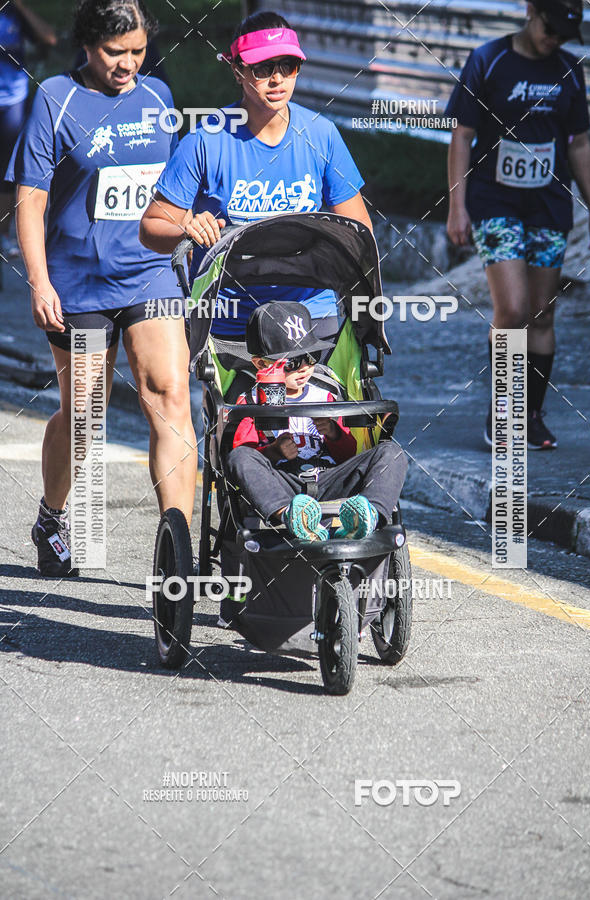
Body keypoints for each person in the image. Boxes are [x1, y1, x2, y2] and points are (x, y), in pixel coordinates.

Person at [7, 0, 196, 577]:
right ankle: (52, 515)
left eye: (137, 51)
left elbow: (170, 184)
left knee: (169, 395)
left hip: (150, 272)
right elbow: (31, 200)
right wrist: (39, 282)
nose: (128, 64)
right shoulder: (56, 98)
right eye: (116, 52)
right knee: (85, 413)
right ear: (87, 45)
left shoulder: (157, 96)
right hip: (80, 283)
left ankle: (176, 550)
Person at [139, 9, 373, 343]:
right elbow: (150, 229)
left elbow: (360, 233)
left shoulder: (322, 135)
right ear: (237, 70)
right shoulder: (205, 140)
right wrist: (186, 230)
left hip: (312, 315)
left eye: (287, 66)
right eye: (262, 69)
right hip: (229, 321)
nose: (277, 79)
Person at [445, 0, 590, 450]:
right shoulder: (488, 60)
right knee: (512, 310)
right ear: (531, 11)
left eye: (564, 35)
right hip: (495, 202)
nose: (554, 40)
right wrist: (457, 206)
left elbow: (579, 144)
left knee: (543, 312)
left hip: (549, 206)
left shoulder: (569, 69)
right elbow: (461, 137)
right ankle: (503, 414)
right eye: (549, 28)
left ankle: (531, 416)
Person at [227, 302, 408, 542]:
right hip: (282, 481)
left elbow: (349, 454)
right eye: (291, 363)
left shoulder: (327, 393)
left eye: (310, 357)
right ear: (262, 364)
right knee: (239, 457)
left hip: (329, 474)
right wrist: (273, 451)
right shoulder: (250, 400)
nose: (303, 368)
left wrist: (334, 434)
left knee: (391, 452)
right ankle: (291, 515)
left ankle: (367, 514)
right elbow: (244, 456)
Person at [0, 1, 56, 260]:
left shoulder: (16, 13)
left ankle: (3, 235)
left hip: (12, 100)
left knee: (7, 174)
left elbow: (50, 38)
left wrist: (20, 7)